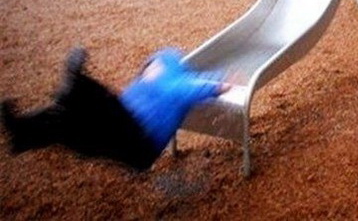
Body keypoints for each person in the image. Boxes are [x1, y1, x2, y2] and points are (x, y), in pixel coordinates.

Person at [1, 47, 230, 171]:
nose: (148, 68)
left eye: (154, 64)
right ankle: (22, 133)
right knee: (66, 124)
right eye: (149, 64)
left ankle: (79, 87)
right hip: (126, 134)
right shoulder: (150, 80)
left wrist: (220, 84)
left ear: (167, 67)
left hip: (140, 142)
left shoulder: (173, 82)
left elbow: (194, 87)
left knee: (105, 106)